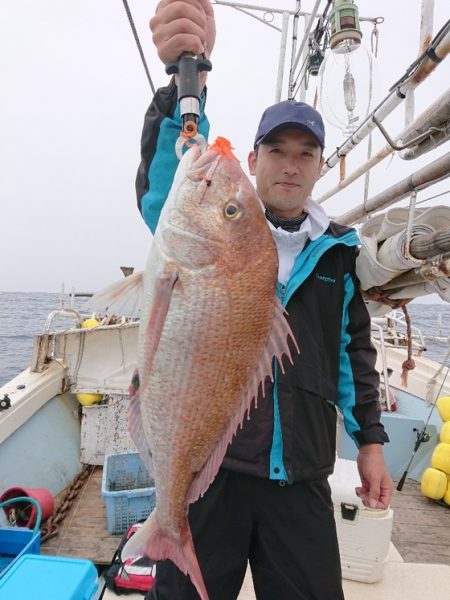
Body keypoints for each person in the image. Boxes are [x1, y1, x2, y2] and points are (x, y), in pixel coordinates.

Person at [136, 1, 393, 598]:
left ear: (319, 167)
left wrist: (372, 445)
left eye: (305, 153)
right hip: (211, 473)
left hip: (300, 477)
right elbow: (162, 188)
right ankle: (166, 522)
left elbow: (354, 357)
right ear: (252, 162)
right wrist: (184, 79)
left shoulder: (337, 257)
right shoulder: (209, 225)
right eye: (277, 150)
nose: (290, 165)